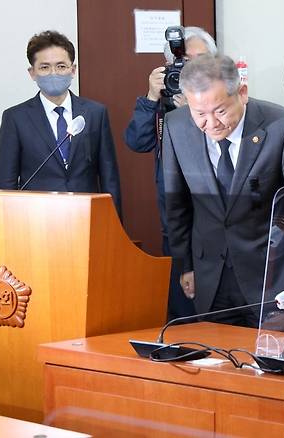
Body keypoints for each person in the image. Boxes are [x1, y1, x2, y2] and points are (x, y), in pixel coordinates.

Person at [162, 54, 284, 327]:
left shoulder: (282, 126)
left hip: (270, 275)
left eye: (221, 111)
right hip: (209, 273)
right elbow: (176, 205)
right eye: (199, 113)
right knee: (214, 358)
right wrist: (184, 264)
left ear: (242, 93)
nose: (211, 123)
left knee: (270, 360)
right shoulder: (176, 126)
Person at [124, 26, 217, 320]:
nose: (192, 70)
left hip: (217, 225)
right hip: (175, 226)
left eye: (200, 60)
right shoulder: (162, 102)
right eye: (184, 62)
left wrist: (196, 112)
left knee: (216, 311)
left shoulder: (226, 104)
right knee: (182, 313)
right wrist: (151, 97)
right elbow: (137, 142)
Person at [0, 30, 121, 216]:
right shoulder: (15, 118)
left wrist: (114, 223)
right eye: (44, 67)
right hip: (35, 219)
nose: (54, 73)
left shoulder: (95, 113)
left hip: (87, 215)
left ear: (73, 70)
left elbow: (109, 176)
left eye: (61, 66)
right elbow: (6, 183)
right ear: (32, 73)